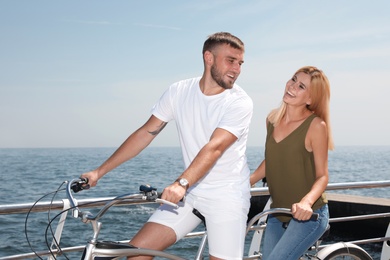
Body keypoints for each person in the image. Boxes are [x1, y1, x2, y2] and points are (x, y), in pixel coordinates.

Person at [81, 32, 253, 260]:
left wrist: (181, 183)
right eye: (231, 60)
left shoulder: (240, 102)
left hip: (226, 197)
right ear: (208, 57)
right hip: (191, 194)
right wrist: (99, 172)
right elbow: (145, 133)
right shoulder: (179, 91)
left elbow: (215, 147)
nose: (237, 69)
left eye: (240, 63)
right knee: (136, 255)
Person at [250, 66, 334, 260]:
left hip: (310, 215)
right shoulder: (272, 119)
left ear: (311, 99)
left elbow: (322, 176)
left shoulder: (316, 126)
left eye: (301, 86)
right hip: (278, 212)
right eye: (293, 79)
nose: (292, 86)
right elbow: (272, 158)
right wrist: (249, 180)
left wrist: (306, 201)